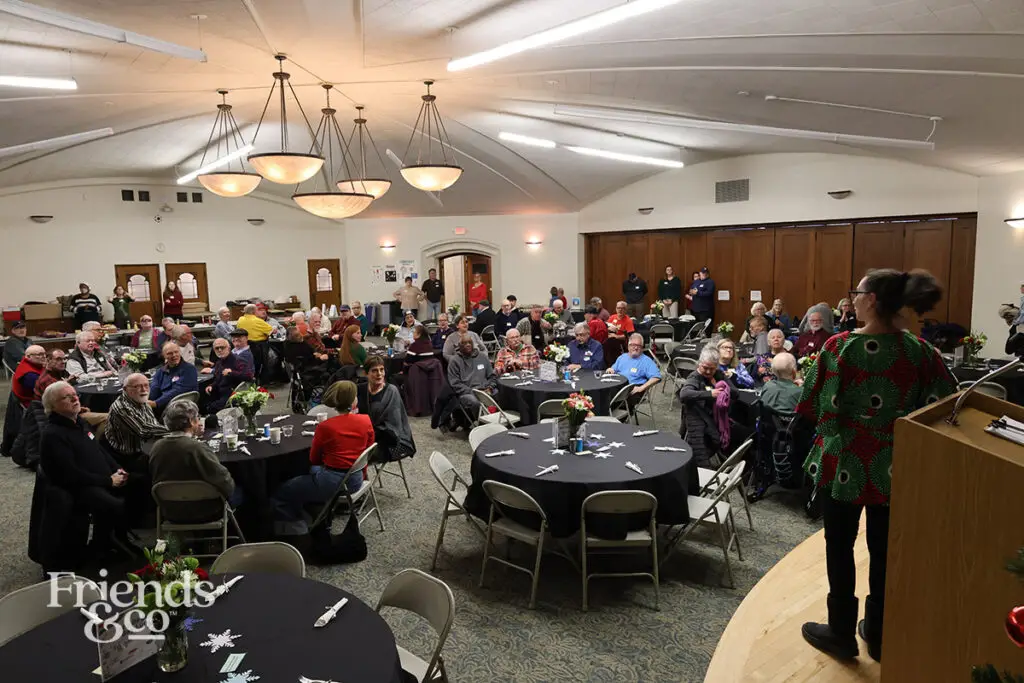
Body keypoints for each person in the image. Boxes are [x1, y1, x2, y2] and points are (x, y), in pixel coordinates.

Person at [799, 269, 955, 663]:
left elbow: (809, 405)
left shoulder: (838, 348)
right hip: (895, 466)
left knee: (839, 546)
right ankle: (880, 632)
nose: (853, 298)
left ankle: (840, 633)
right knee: (885, 550)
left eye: (857, 292)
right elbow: (945, 405)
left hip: (844, 463)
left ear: (870, 300)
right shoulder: (922, 351)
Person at [39, 381, 132, 556]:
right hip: (77, 486)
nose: (75, 398)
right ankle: (102, 545)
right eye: (68, 397)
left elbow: (99, 450)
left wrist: (117, 468)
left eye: (75, 394)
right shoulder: (53, 434)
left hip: (99, 478)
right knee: (114, 505)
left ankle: (118, 538)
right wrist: (108, 481)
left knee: (138, 484)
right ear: (53, 406)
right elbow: (69, 474)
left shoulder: (78, 423)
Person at [272, 381, 374, 535]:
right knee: (310, 473)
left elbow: (314, 459)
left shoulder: (325, 427)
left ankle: (297, 529)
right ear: (354, 400)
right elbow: (367, 450)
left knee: (282, 491)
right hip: (356, 479)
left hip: (332, 483)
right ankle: (314, 509)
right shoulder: (365, 420)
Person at [150, 399, 240, 522]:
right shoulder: (195, 448)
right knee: (244, 491)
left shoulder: (156, 447)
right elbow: (225, 483)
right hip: (206, 510)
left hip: (170, 509)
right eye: (197, 417)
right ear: (192, 422)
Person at [678, 347, 729, 467]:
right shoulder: (694, 377)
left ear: (716, 366)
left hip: (713, 417)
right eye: (705, 368)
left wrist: (723, 387)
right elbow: (684, 394)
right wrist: (710, 394)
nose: (707, 372)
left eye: (711, 369)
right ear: (699, 364)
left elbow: (735, 392)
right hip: (698, 419)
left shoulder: (718, 375)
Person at [360, 357, 415, 462]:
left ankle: (358, 477)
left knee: (354, 456)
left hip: (388, 441)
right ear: (366, 373)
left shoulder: (391, 392)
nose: (379, 374)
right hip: (364, 436)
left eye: (381, 369)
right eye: (374, 370)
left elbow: (393, 426)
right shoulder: (360, 389)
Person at [104, 373, 168, 460]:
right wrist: (173, 431)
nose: (144, 389)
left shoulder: (141, 400)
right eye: (137, 386)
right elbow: (143, 430)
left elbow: (153, 425)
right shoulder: (122, 407)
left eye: (146, 385)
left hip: (146, 443)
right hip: (131, 455)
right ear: (125, 389)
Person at [447, 333, 497, 416]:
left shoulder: (482, 357)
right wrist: (473, 392)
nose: (468, 345)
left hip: (485, 389)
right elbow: (455, 383)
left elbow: (492, 376)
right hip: (467, 392)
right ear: (459, 346)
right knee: (474, 402)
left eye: (469, 343)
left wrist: (490, 387)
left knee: (499, 394)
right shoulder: (454, 361)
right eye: (464, 343)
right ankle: (480, 423)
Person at [606, 333, 661, 408]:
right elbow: (613, 369)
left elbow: (656, 377)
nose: (635, 348)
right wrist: (611, 369)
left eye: (638, 346)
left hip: (633, 388)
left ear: (642, 347)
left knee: (609, 400)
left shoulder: (646, 361)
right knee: (602, 393)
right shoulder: (622, 357)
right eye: (633, 345)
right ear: (628, 346)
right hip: (617, 386)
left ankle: (615, 416)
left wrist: (642, 388)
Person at [203, 337, 254, 412]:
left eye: (222, 347)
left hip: (233, 395)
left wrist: (231, 373)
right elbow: (218, 379)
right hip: (220, 393)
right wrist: (212, 385)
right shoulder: (219, 362)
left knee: (210, 407)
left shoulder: (238, 360)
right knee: (203, 403)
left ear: (229, 348)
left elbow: (249, 376)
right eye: (217, 348)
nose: (220, 350)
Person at [149, 342, 199, 412]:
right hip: (160, 407)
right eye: (170, 353)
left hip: (179, 408)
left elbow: (177, 391)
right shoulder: (161, 371)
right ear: (164, 356)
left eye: (176, 352)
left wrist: (156, 403)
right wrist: (148, 402)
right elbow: (154, 388)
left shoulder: (189, 369)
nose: (174, 355)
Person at [236, 303, 272, 377]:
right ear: (254, 311)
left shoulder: (240, 319)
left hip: (244, 345)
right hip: (258, 347)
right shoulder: (257, 321)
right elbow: (271, 331)